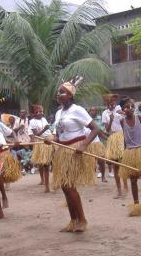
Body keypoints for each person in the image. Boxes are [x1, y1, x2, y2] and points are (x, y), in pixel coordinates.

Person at [50, 76, 100, 232]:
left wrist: (84, 145)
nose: (59, 94)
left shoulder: (78, 110)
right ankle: (73, 220)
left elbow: (95, 129)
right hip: (62, 151)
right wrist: (52, 139)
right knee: (65, 187)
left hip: (74, 151)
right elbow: (59, 134)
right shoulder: (59, 113)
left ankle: (82, 220)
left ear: (70, 95)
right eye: (59, 92)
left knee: (69, 186)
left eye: (62, 92)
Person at [101, 94, 127, 198]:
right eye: (108, 104)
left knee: (123, 164)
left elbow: (125, 123)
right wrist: (111, 119)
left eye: (112, 103)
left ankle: (125, 187)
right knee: (116, 165)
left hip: (121, 137)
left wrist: (122, 113)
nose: (111, 106)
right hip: (112, 138)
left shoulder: (120, 109)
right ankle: (119, 190)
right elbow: (107, 130)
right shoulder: (105, 113)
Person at [29, 104, 54, 193]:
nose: (40, 113)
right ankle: (46, 186)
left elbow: (48, 130)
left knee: (53, 163)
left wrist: (52, 135)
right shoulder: (32, 121)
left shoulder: (44, 119)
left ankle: (54, 182)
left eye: (41, 111)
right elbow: (36, 135)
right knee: (44, 164)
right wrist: (44, 129)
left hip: (50, 140)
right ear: (34, 113)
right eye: (38, 112)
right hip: (42, 143)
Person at [88, 106, 107, 182]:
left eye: (94, 110)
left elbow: (98, 131)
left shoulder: (95, 122)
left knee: (101, 160)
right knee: (91, 162)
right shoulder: (86, 121)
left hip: (97, 143)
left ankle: (103, 176)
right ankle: (91, 177)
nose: (93, 112)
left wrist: (106, 138)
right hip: (88, 144)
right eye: (92, 110)